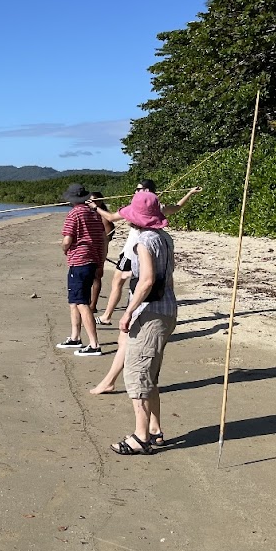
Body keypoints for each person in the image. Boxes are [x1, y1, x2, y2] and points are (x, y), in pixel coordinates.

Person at [87, 181, 200, 395]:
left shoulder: (148, 237)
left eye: (143, 190)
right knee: (120, 291)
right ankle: (110, 380)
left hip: (146, 287)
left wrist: (95, 207)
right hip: (152, 287)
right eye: (137, 190)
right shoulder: (162, 234)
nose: (139, 192)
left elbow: (148, 281)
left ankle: (110, 379)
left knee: (128, 340)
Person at [107, 190, 177, 454]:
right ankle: (155, 430)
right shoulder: (165, 238)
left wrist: (127, 312)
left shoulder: (144, 242)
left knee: (138, 374)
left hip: (151, 312)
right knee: (151, 374)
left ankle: (141, 436)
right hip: (167, 309)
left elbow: (147, 280)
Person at [56, 183, 108, 356]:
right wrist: (100, 263)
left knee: (81, 303)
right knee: (74, 301)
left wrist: (64, 249)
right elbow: (102, 240)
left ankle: (94, 345)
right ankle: (75, 337)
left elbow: (67, 239)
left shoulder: (74, 214)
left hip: (80, 262)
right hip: (91, 261)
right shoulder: (94, 214)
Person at [87, 192, 115, 315]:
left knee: (96, 277)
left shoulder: (104, 217)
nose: (90, 203)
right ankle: (87, 302)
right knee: (87, 277)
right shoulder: (89, 214)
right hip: (89, 250)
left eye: (93, 201)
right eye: (89, 201)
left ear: (100, 202)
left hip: (99, 250)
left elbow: (107, 238)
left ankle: (93, 305)